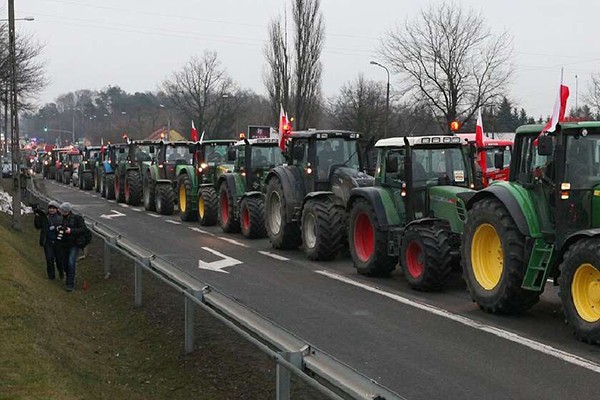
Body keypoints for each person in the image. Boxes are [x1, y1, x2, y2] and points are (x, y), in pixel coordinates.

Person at [56, 202, 86, 292]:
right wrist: (59, 228)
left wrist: (71, 231)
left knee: (71, 262)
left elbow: (83, 229)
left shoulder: (77, 218)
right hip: (64, 244)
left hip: (74, 244)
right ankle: (69, 275)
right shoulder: (61, 219)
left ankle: (70, 284)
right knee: (64, 262)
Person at [33, 200, 64, 280]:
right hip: (48, 241)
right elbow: (38, 226)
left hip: (58, 242)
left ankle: (61, 271)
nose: (51, 210)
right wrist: (37, 216)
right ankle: (51, 276)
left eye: (53, 208)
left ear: (57, 209)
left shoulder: (61, 218)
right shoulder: (44, 217)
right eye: (50, 208)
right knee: (49, 259)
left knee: (59, 260)